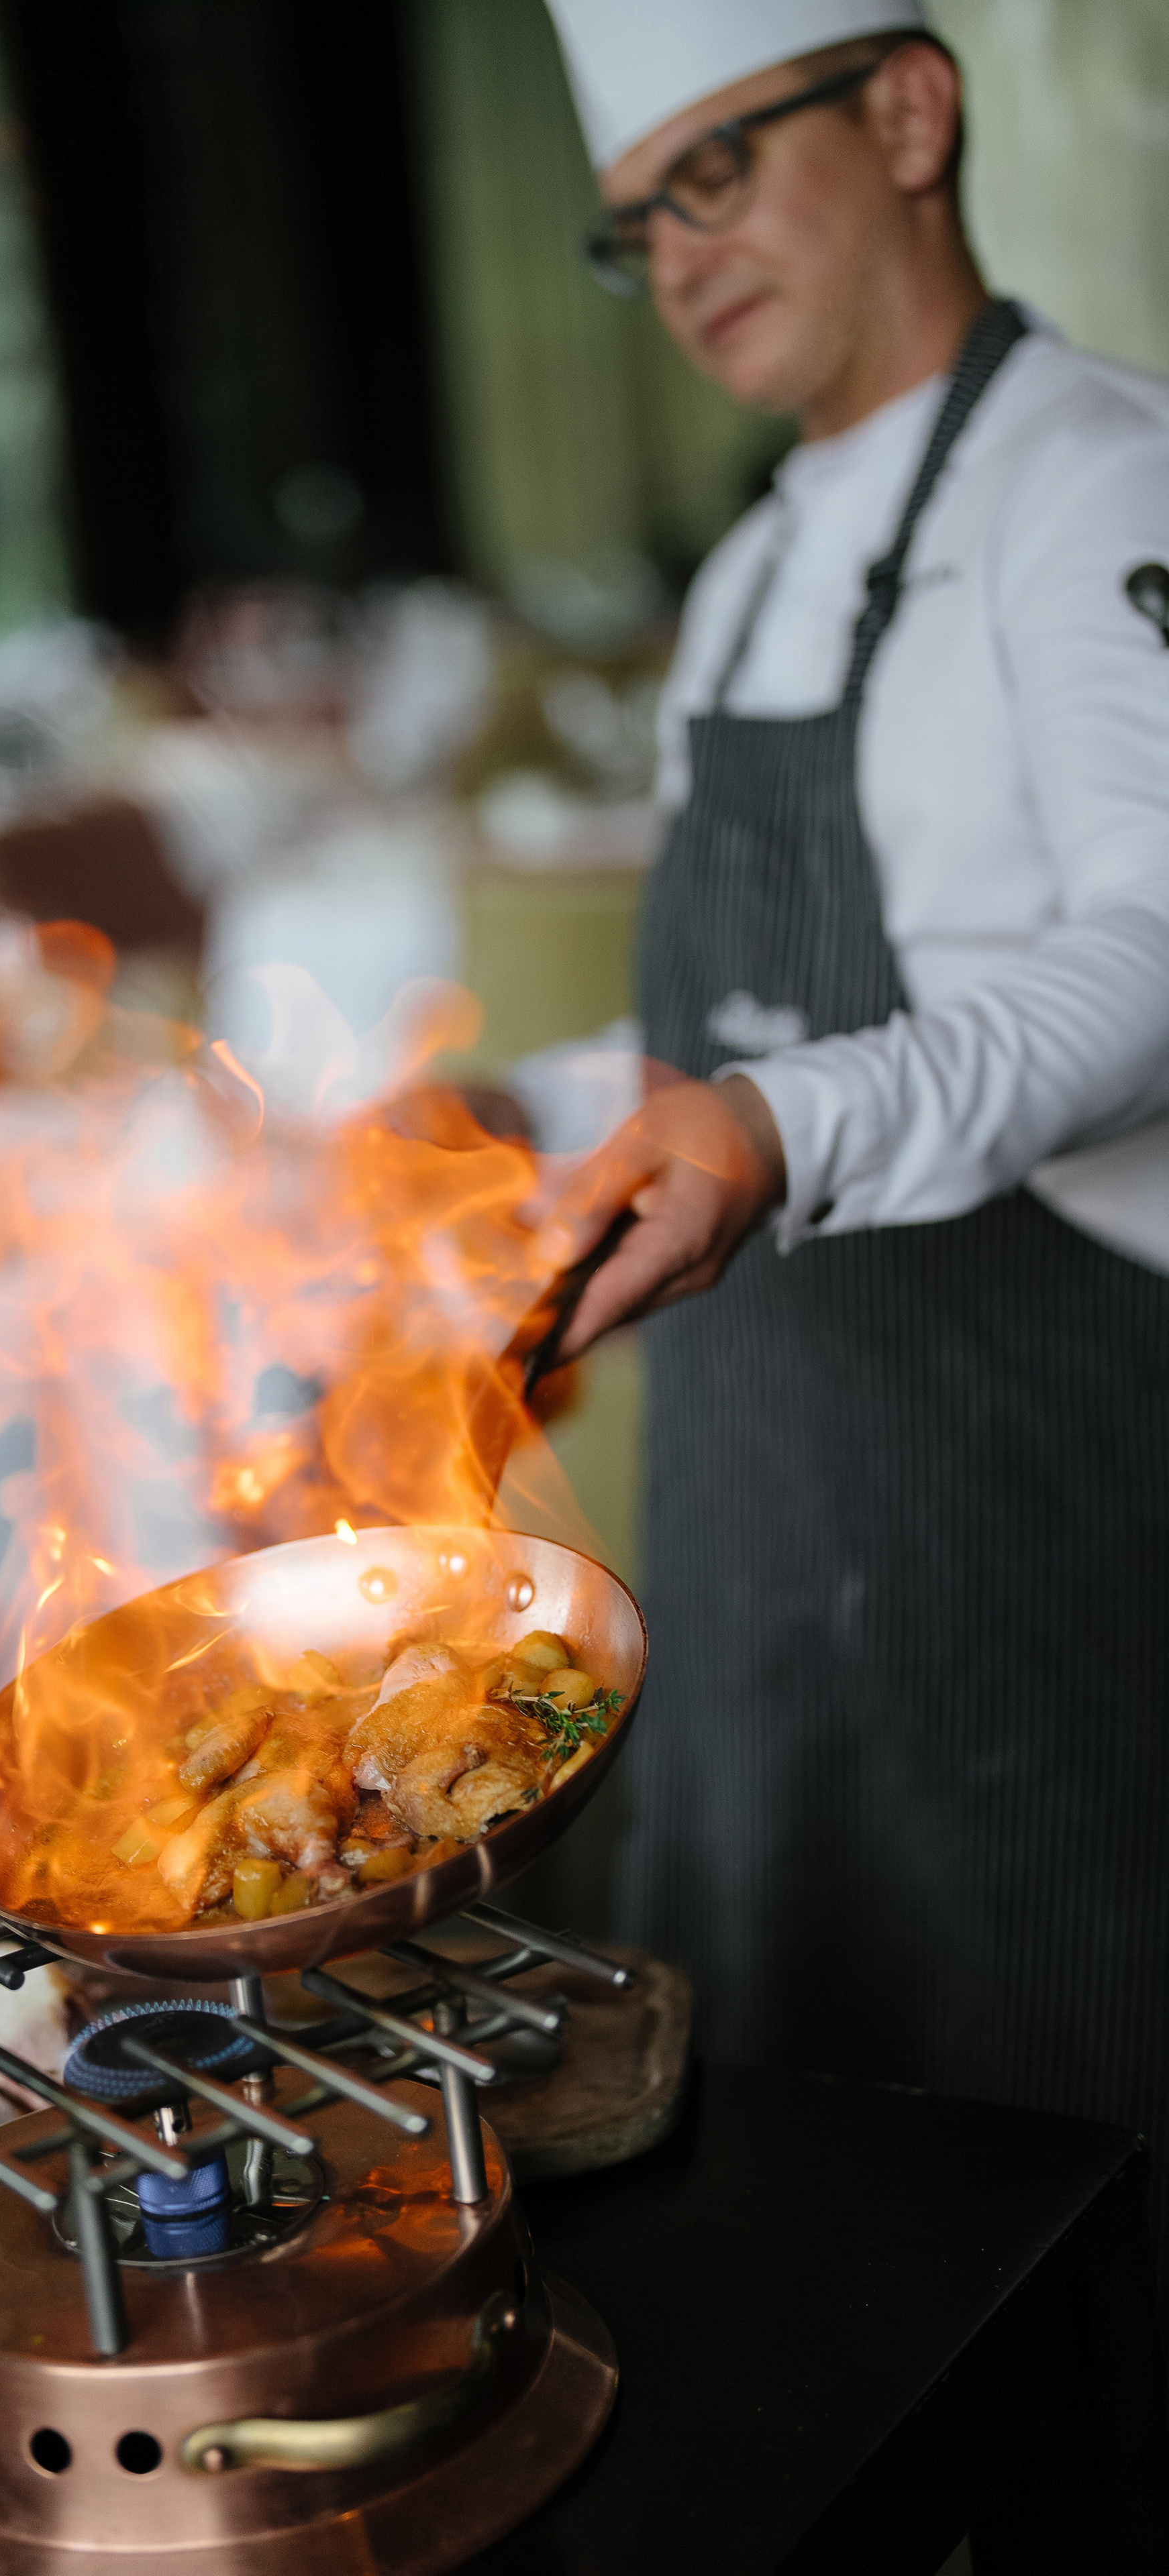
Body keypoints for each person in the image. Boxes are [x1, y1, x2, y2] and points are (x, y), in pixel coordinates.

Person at [538, 0, 1169, 2282]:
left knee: (1060, 2166)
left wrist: (788, 1127)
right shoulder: (752, 571)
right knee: (804, 2180)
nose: (679, 254)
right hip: (772, 1514)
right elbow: (699, 1042)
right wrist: (466, 1137)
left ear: (909, 108)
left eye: (715, 171)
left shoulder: (1101, 476)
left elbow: (1161, 949)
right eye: (637, 226)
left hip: (1033, 1510)